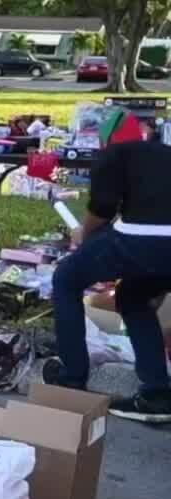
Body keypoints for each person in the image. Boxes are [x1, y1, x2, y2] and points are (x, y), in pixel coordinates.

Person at [45, 109, 171, 423]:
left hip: (139, 240)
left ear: (105, 141)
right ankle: (157, 394)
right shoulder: (164, 153)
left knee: (66, 279)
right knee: (132, 297)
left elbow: (101, 210)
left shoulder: (113, 155)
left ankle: (72, 377)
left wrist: (83, 235)